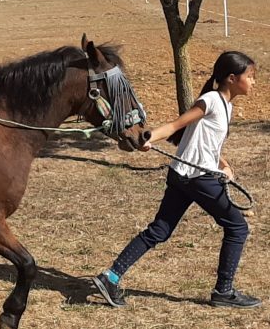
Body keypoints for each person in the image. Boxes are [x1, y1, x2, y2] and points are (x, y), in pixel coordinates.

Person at [93, 51, 259, 309]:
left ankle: (110, 277)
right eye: (250, 77)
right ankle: (223, 292)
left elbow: (205, 144)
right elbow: (175, 126)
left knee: (159, 230)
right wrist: (149, 137)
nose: (253, 82)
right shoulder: (211, 101)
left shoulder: (226, 106)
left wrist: (222, 163)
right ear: (231, 78)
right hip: (198, 179)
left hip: (184, 176)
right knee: (238, 228)